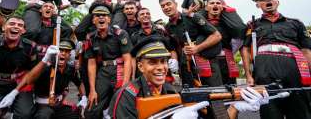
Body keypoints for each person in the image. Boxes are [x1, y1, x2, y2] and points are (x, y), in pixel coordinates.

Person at [109, 37, 269, 119]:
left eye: (163, 61)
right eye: (152, 62)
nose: (160, 67)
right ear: (140, 66)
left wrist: (235, 106)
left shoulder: (171, 91)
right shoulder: (127, 95)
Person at [241, 0, 311, 119]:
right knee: (270, 111)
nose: (268, 0)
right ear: (257, 5)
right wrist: (248, 76)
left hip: (294, 69)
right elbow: (245, 49)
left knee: (300, 110)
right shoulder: (252, 25)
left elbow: (306, 49)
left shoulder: (295, 23)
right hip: (265, 70)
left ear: (277, 2)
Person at [0, 40, 86, 119]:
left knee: (76, 113)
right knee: (44, 115)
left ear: (69, 55)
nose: (63, 53)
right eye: (60, 50)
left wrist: (84, 97)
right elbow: (28, 79)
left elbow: (79, 83)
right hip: (43, 106)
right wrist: (14, 93)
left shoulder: (71, 69)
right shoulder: (44, 68)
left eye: (66, 51)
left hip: (59, 104)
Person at [159, 0, 223, 87]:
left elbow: (217, 36)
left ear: (176, 4)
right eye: (163, 6)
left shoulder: (192, 17)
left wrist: (197, 48)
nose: (166, 7)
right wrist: (174, 60)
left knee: (215, 95)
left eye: (168, 4)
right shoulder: (167, 27)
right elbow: (173, 47)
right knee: (191, 97)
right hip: (187, 68)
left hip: (206, 63)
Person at [83, 3, 133, 118]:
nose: (101, 17)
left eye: (104, 15)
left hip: (119, 70)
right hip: (103, 72)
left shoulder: (120, 34)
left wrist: (125, 84)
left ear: (109, 19)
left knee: (121, 105)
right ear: (93, 20)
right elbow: (91, 64)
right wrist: (92, 90)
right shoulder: (90, 38)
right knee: (91, 109)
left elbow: (128, 59)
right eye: (97, 15)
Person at [131, 7, 178, 79]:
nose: (145, 15)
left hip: (162, 70)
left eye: (148, 13)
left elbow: (171, 49)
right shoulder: (134, 36)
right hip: (144, 72)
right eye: (142, 14)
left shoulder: (161, 31)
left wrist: (174, 60)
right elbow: (133, 57)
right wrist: (133, 76)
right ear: (138, 18)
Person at [204, 0, 242, 84]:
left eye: (218, 3)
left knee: (231, 88)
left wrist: (229, 51)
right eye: (212, 3)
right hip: (208, 60)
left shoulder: (229, 24)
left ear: (222, 7)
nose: (215, 5)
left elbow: (238, 39)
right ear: (206, 8)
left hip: (227, 59)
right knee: (214, 89)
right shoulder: (201, 23)